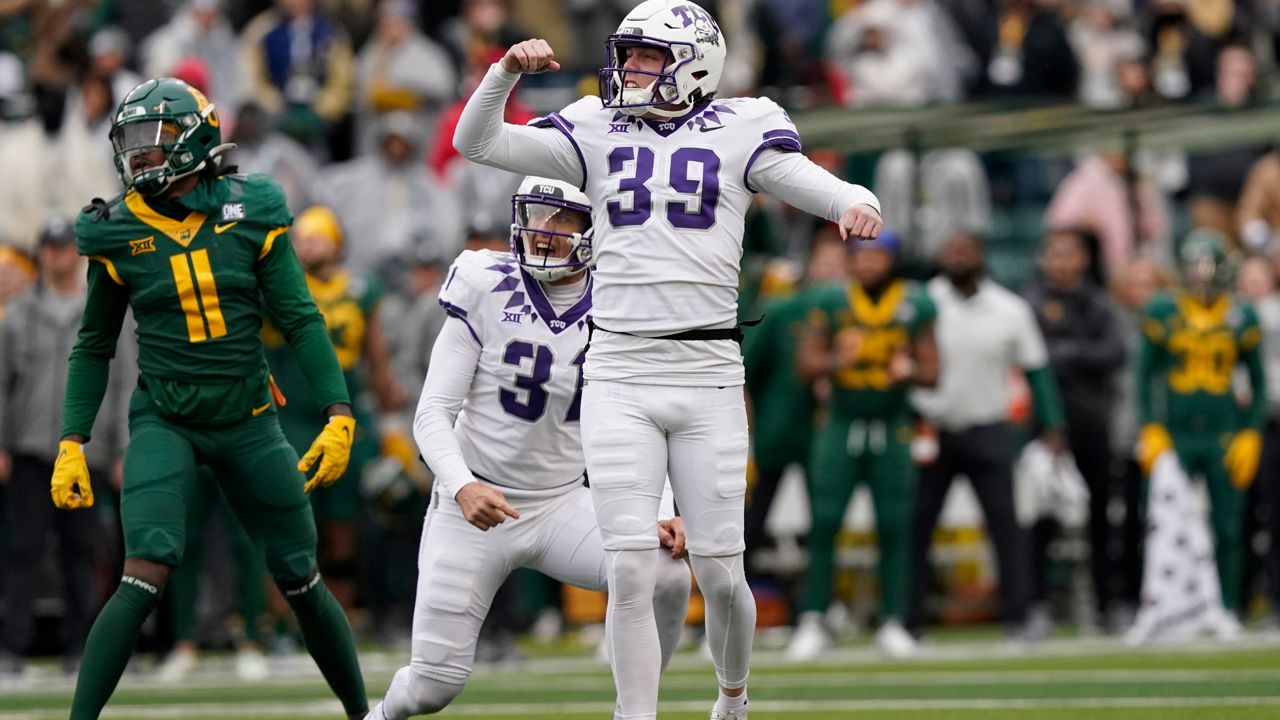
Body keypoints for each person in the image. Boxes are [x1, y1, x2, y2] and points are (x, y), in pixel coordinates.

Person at [451, 3, 884, 717]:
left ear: (695, 62)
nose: (630, 69)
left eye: (647, 56)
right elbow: (478, 142)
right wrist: (502, 72)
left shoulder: (745, 126)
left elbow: (810, 180)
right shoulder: (595, 128)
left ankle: (733, 697)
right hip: (619, 370)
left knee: (719, 575)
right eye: (629, 54)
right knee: (629, 567)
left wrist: (853, 200)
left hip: (708, 372)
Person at [51, 77, 367, 720]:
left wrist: (338, 412)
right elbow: (93, 345)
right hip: (166, 417)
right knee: (144, 571)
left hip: (249, 418)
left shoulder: (254, 209)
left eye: (154, 140)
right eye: (132, 143)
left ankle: (367, 714)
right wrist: (72, 439)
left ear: (195, 140)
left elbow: (302, 319)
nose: (139, 156)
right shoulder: (113, 230)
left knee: (301, 578)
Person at [367, 177, 692, 720]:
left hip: (563, 502)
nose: (544, 231)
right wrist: (462, 484)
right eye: (538, 214)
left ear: (596, 228)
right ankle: (379, 715)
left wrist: (663, 508)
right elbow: (431, 414)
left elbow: (642, 420)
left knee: (666, 571)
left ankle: (635, 708)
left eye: (563, 219)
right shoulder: (484, 282)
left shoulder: (622, 301)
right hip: (474, 506)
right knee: (431, 687)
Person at [908, 231, 1067, 641]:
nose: (959, 255)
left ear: (981, 255)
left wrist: (1052, 425)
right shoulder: (920, 303)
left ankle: (1021, 614)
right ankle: (906, 619)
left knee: (1006, 526)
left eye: (966, 249)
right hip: (932, 428)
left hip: (988, 426)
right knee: (916, 525)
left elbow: (1036, 370)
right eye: (952, 248)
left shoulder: (1010, 309)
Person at [790, 229, 939, 660]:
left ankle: (893, 620)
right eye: (861, 255)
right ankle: (814, 617)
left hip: (893, 426)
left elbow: (933, 371)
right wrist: (841, 360)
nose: (868, 263)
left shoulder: (916, 304)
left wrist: (908, 370)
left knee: (894, 524)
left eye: (876, 256)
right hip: (840, 422)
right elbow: (805, 364)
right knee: (825, 521)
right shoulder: (832, 301)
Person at [0, 219, 131, 677]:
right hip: (32, 450)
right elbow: (1, 385)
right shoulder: (18, 313)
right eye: (50, 248)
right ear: (41, 253)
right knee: (23, 550)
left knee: (85, 552)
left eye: (64, 247)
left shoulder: (104, 307)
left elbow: (123, 383)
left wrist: (123, 447)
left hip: (87, 454)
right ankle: (11, 646)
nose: (56, 255)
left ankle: (83, 647)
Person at [264, 204, 407, 614]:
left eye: (317, 235)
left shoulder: (361, 289)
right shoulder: (278, 283)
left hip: (343, 414)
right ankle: (284, 627)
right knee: (289, 524)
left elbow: (377, 360)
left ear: (338, 243)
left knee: (344, 527)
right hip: (289, 414)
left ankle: (339, 621)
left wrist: (391, 417)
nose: (308, 244)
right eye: (302, 237)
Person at [1134, 231, 1266, 617]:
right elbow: (1144, 375)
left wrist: (1249, 432)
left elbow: (1257, 381)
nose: (1201, 278)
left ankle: (1224, 608)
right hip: (1175, 434)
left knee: (1228, 526)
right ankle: (1162, 608)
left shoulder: (1242, 315)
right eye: (1194, 269)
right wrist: (1151, 426)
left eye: (1208, 269)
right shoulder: (1163, 310)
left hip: (1222, 434)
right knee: (1159, 524)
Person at [1022, 228, 1128, 626]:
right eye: (1054, 254)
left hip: (1091, 421)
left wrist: (1069, 353)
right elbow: (1032, 354)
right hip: (1045, 425)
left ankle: (1107, 604)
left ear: (1082, 260)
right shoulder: (1032, 301)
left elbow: (1115, 352)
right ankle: (1036, 605)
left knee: (1102, 515)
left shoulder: (1097, 302)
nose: (1060, 263)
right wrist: (1078, 353)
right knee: (1040, 519)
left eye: (1068, 254)